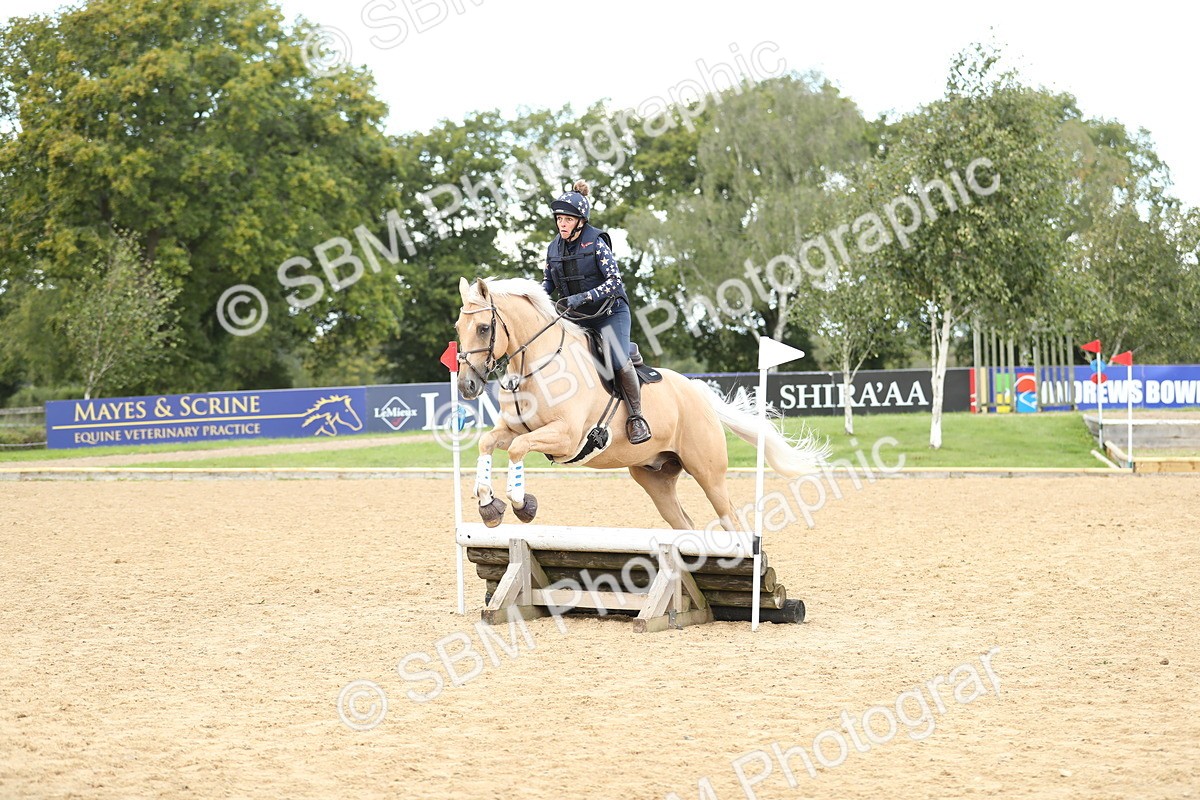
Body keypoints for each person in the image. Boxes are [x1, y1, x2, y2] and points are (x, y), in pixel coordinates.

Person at [542, 179, 651, 445]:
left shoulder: (597, 242)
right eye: (559, 219)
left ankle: (636, 417)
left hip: (609, 312)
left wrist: (582, 296)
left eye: (568, 219)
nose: (562, 224)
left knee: (615, 357)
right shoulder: (552, 248)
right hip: (576, 317)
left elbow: (615, 281)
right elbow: (547, 284)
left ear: (580, 221)